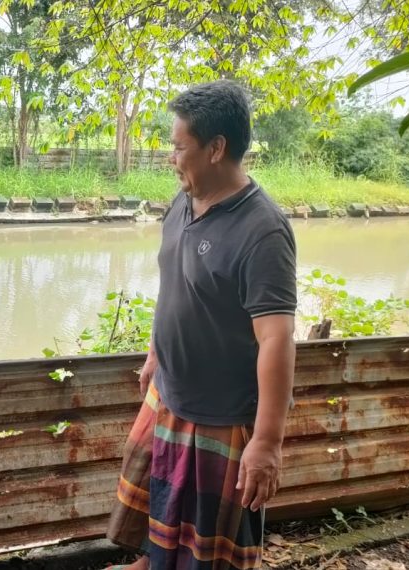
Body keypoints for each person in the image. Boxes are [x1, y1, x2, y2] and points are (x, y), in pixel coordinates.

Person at [107, 80, 297, 570]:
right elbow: (175, 284)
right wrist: (155, 352)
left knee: (206, 541)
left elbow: (276, 337)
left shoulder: (263, 230)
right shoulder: (183, 202)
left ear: (216, 149)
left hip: (220, 414)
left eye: (178, 146)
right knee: (159, 504)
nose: (171, 158)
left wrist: (268, 442)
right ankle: (152, 563)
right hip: (169, 392)